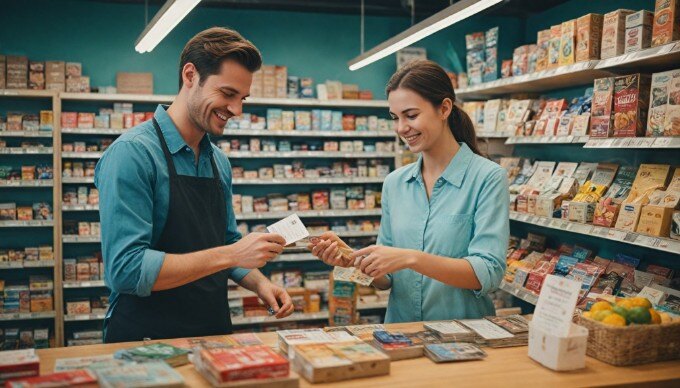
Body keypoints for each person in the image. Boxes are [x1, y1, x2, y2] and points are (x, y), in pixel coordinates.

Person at [95, 27, 294, 343]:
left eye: (242, 98)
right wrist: (232, 254)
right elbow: (126, 270)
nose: (237, 110)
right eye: (227, 94)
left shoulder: (218, 161)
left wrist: (260, 283)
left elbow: (225, 239)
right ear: (190, 76)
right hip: (146, 340)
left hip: (212, 331)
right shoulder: (133, 154)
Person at [309, 60, 509, 323]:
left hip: (463, 339)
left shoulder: (487, 178)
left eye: (411, 115)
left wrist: (410, 258)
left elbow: (488, 273)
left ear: (444, 108)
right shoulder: (395, 183)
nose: (401, 128)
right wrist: (352, 260)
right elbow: (386, 281)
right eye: (395, 118)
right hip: (401, 334)